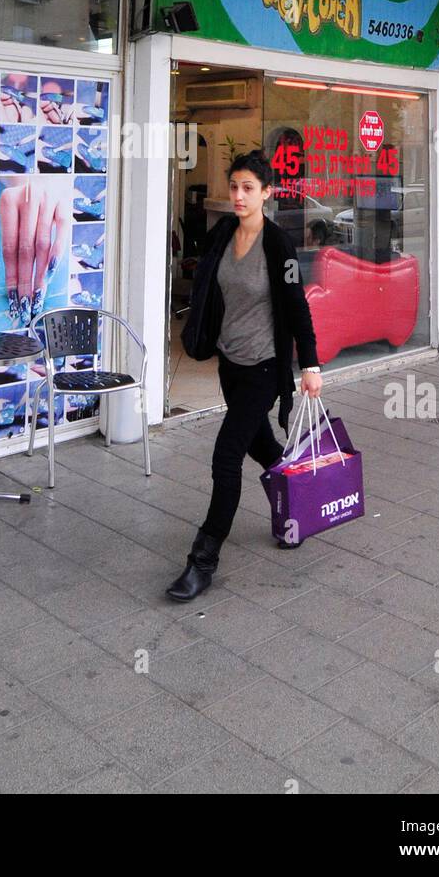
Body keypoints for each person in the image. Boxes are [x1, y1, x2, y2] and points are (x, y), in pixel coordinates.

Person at [166, 149, 322, 602]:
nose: (238, 195)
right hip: (230, 363)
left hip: (264, 367)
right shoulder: (222, 234)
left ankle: (203, 560)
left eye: (248, 188)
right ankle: (296, 509)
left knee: (226, 455)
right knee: (263, 447)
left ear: (267, 193)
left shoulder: (279, 245)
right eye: (234, 186)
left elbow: (296, 305)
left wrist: (310, 365)